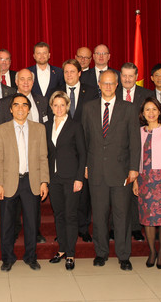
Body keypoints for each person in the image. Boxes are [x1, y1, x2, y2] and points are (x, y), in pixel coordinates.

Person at [81, 70, 140, 271]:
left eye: (111, 83)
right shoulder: (88, 108)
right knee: (98, 215)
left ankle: (124, 255)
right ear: (99, 84)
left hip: (121, 171)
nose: (107, 86)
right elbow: (84, 141)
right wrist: (86, 166)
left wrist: (134, 168)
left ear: (117, 85)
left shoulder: (129, 109)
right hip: (96, 171)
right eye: (104, 83)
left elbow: (135, 140)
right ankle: (101, 252)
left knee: (122, 216)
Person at [0, 94, 49, 272]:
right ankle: (7, 258)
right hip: (9, 181)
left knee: (32, 223)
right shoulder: (1, 130)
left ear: (28, 108)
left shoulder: (39, 129)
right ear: (10, 109)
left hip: (31, 181)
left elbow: (43, 157)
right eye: (16, 105)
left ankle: (31, 257)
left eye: (24, 105)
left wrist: (44, 181)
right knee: (7, 223)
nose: (20, 108)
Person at [133, 97, 161, 269]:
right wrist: (135, 180)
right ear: (142, 113)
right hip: (144, 178)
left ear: (159, 111)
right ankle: (152, 251)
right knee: (148, 219)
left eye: (154, 109)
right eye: (147, 110)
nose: (150, 113)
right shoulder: (139, 131)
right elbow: (136, 158)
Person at [56, 59, 97, 243]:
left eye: (73, 71)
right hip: (63, 151)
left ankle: (83, 228)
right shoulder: (57, 91)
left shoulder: (91, 91)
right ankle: (63, 231)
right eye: (66, 72)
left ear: (80, 73)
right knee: (63, 199)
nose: (69, 75)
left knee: (83, 194)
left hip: (84, 148)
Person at [45, 91, 86, 270]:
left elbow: (83, 153)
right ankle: (61, 249)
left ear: (67, 106)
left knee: (70, 216)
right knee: (59, 214)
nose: (59, 108)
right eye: (56, 105)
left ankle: (70, 253)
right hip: (53, 178)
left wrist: (79, 178)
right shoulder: (46, 126)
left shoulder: (75, 126)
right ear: (52, 107)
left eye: (63, 105)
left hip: (71, 177)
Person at [115, 62, 153, 242]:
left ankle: (136, 227)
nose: (128, 79)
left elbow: (153, 118)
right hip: (116, 149)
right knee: (116, 189)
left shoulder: (147, 95)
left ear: (137, 77)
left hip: (141, 147)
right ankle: (114, 228)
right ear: (120, 77)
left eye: (131, 76)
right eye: (124, 76)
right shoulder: (112, 93)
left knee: (137, 189)